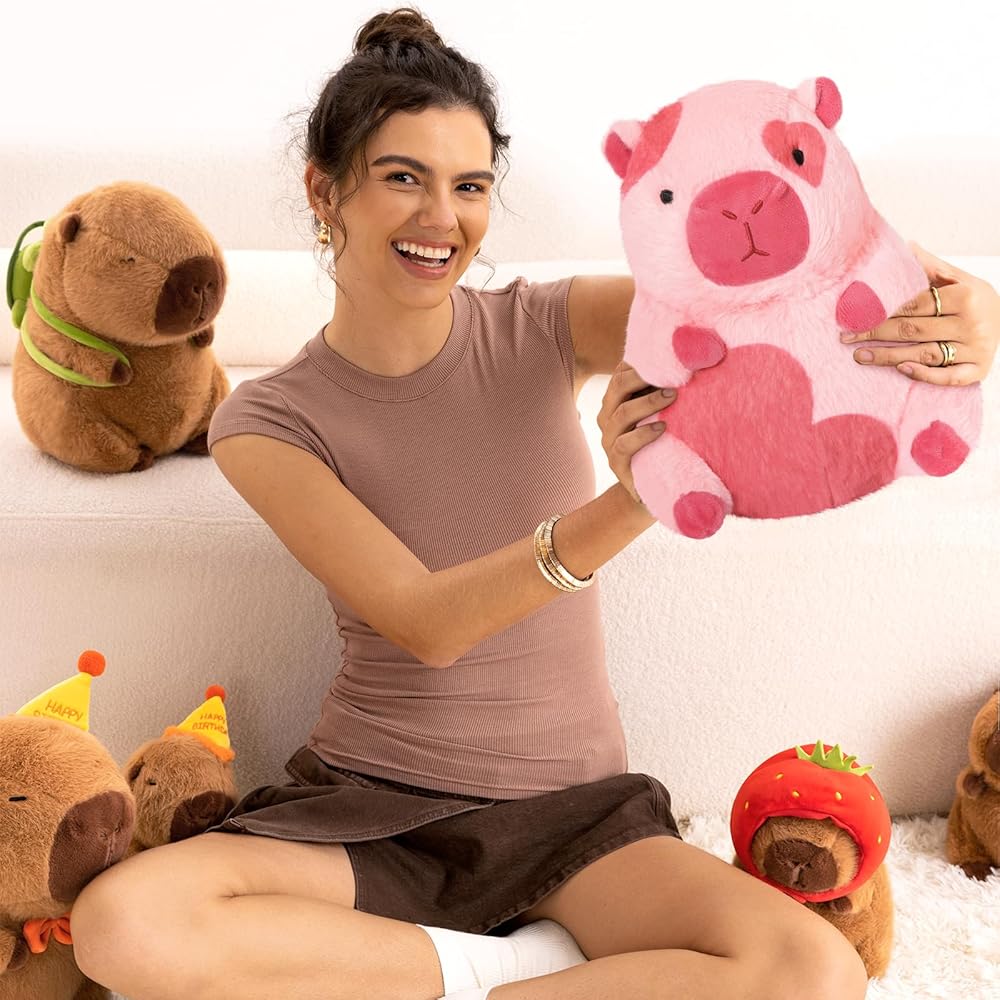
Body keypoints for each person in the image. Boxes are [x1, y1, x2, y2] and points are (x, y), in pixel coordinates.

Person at [71, 9, 1000, 1000]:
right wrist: (636, 498)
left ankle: (446, 978)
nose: (443, 217)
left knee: (813, 968)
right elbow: (428, 622)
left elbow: (774, 292)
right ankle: (523, 972)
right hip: (372, 815)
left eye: (469, 186)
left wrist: (967, 304)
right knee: (121, 923)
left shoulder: (544, 323)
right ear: (323, 189)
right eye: (403, 178)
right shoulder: (266, 420)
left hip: (573, 821)